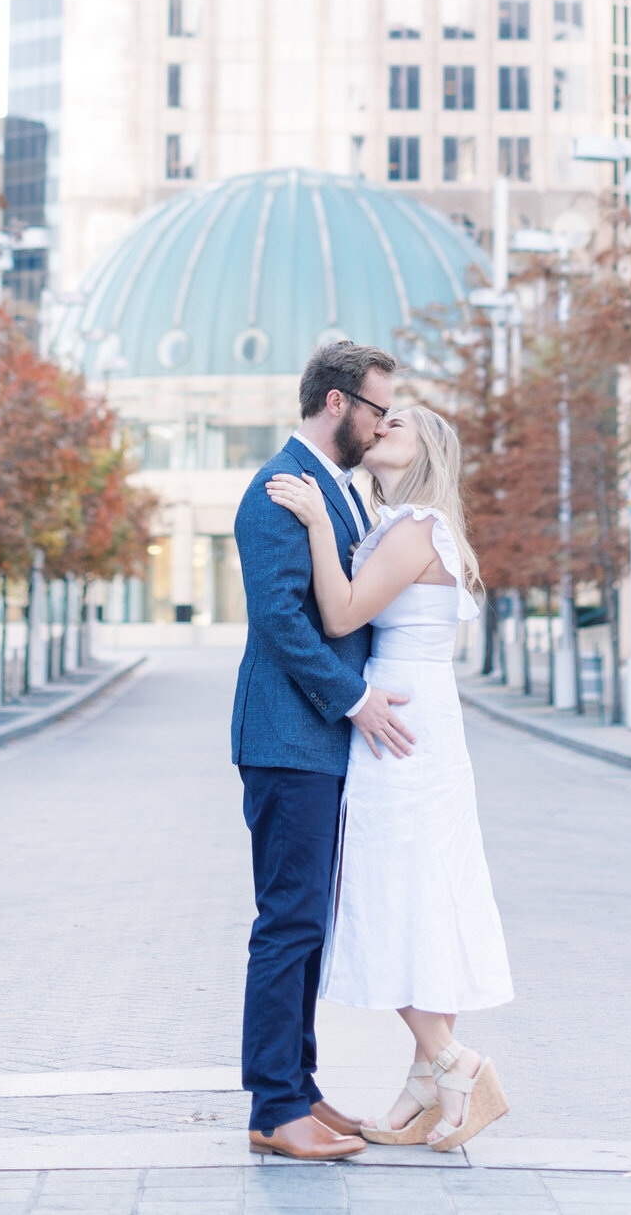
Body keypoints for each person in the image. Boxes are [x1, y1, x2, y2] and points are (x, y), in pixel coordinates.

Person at [266, 401, 512, 1154]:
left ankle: (454, 1065)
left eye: (396, 425)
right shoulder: (407, 525)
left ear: (426, 451)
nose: (380, 428)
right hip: (417, 715)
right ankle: (419, 1089)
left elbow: (338, 616)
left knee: (389, 888)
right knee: (419, 888)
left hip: (398, 721)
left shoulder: (413, 529)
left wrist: (313, 523)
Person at [230, 339, 416, 1164]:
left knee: (308, 919)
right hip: (289, 739)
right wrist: (353, 700)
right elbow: (280, 620)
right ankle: (274, 1107)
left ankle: (300, 1088)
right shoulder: (278, 490)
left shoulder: (335, 492)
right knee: (288, 921)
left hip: (317, 744)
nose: (382, 425)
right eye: (377, 408)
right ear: (337, 403)